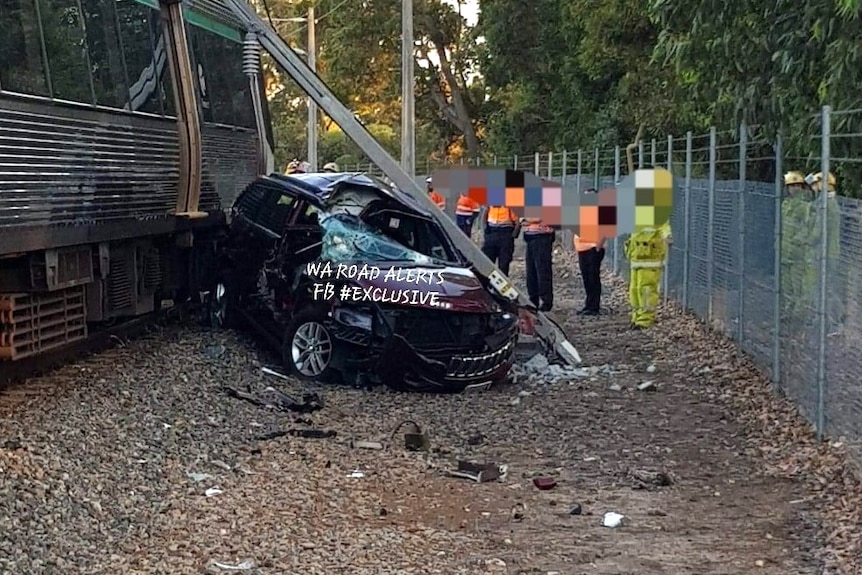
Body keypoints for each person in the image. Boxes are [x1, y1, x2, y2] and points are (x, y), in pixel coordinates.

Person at [806, 171, 844, 329]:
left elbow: (818, 231)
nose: (813, 188)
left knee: (826, 288)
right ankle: (826, 319)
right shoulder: (828, 203)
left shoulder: (826, 206)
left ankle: (834, 321)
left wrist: (806, 241)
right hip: (827, 252)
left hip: (827, 253)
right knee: (824, 287)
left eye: (815, 184)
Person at [780, 171, 817, 325]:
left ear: (801, 187)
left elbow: (809, 226)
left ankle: (799, 315)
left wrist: (799, 240)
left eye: (796, 185)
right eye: (790, 186)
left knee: (798, 286)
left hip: (798, 253)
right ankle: (789, 311)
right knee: (787, 286)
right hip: (784, 252)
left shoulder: (805, 206)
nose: (793, 189)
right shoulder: (785, 204)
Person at [624, 220, 672, 329]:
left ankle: (645, 319)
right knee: (635, 290)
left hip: (650, 261)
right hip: (636, 260)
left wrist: (667, 236)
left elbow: (665, 230)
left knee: (646, 290)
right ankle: (637, 316)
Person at [522, 215, 555, 311]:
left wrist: (526, 219)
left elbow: (537, 218)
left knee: (543, 271)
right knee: (531, 272)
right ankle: (533, 300)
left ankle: (546, 302)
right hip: (530, 237)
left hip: (542, 236)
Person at [574, 228, 606, 315]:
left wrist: (598, 246)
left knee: (593, 278)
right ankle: (589, 304)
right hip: (582, 248)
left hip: (593, 247)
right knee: (586, 278)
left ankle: (594, 306)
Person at [481, 205, 519, 275]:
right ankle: (487, 283)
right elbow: (485, 215)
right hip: (491, 232)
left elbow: (517, 221)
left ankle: (502, 283)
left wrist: (513, 235)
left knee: (504, 264)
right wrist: (486, 230)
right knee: (487, 261)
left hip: (505, 233)